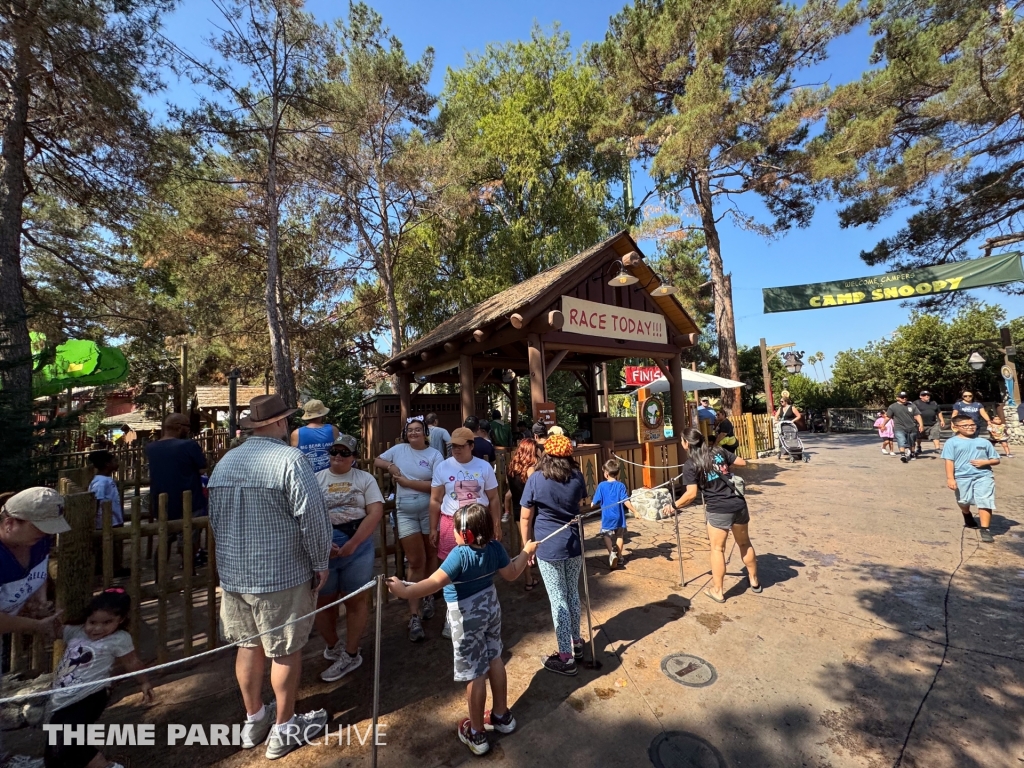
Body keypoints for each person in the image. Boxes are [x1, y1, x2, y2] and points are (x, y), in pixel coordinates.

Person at [207, 394, 332, 760]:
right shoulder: (290, 460)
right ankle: (284, 725)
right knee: (285, 649)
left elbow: (214, 521)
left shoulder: (225, 463)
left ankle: (254, 717)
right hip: (281, 572)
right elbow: (312, 517)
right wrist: (320, 561)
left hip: (235, 573)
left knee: (248, 646)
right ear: (279, 423)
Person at [388, 503, 537, 756]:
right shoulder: (495, 549)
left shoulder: (459, 555)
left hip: (466, 615)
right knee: (494, 657)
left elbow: (431, 584)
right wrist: (526, 551)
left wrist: (405, 591)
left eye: (456, 530)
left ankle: (477, 732)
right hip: (490, 606)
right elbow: (512, 573)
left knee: (475, 671)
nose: (453, 534)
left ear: (466, 534)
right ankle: (501, 715)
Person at [46, 589, 152, 768]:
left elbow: (132, 662)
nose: (97, 628)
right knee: (55, 752)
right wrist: (46, 614)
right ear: (86, 618)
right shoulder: (76, 631)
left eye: (107, 622)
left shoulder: (119, 638)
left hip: (90, 697)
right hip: (61, 700)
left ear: (121, 620)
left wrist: (144, 682)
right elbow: (54, 631)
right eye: (92, 622)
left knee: (65, 743)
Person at [663, 429, 760, 604]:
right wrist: (724, 468)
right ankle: (754, 580)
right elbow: (742, 462)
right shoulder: (718, 451)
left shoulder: (691, 464)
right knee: (745, 543)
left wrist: (673, 506)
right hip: (738, 504)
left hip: (718, 509)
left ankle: (718, 590)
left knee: (717, 549)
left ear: (686, 443)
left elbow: (691, 494)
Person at [519, 434, 588, 676]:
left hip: (547, 545)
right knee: (572, 593)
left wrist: (526, 545)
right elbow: (582, 502)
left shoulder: (536, 478)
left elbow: (526, 516)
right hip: (573, 543)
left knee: (557, 598)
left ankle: (565, 656)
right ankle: (576, 642)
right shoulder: (577, 476)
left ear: (546, 453)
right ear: (569, 455)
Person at [316, 434, 384, 677]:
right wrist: (323, 542)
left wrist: (354, 543)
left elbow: (375, 511)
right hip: (325, 546)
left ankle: (352, 653)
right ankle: (334, 646)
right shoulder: (317, 479)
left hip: (357, 544)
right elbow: (308, 513)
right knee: (324, 600)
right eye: (335, 451)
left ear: (353, 458)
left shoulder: (364, 479)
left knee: (355, 599)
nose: (338, 456)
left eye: (345, 453)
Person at [373, 418, 443, 643]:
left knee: (431, 554)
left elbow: (436, 485)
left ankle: (429, 595)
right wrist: (391, 467)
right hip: (405, 512)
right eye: (410, 430)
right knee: (415, 561)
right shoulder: (399, 450)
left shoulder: (434, 455)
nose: (413, 433)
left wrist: (407, 482)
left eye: (417, 430)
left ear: (425, 433)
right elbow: (377, 460)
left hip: (431, 512)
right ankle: (414, 613)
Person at [430, 427, 501, 639]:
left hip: (479, 524)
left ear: (472, 446)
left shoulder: (484, 467)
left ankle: (482, 612)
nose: (456, 450)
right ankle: (451, 616)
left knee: (480, 567)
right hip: (451, 523)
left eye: (461, 446)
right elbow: (435, 499)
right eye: (453, 446)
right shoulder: (443, 467)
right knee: (451, 571)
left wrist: (496, 524)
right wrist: (433, 527)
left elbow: (494, 498)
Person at [942, 414, 1000, 543]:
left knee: (985, 500)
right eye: (965, 425)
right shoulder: (952, 442)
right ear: (955, 427)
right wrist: (950, 478)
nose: (970, 427)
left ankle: (985, 529)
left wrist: (985, 463)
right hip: (962, 477)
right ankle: (966, 514)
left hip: (983, 476)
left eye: (972, 425)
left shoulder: (984, 442)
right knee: (963, 501)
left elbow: (996, 459)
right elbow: (949, 461)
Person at [146, 413, 207, 521]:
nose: (189, 430)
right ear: (179, 427)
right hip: (189, 503)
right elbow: (203, 467)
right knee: (187, 536)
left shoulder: (151, 448)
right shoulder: (189, 445)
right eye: (188, 426)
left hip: (162, 505)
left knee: (165, 536)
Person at [504, 438, 539, 590]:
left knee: (524, 543)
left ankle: (528, 578)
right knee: (537, 541)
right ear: (532, 451)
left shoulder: (511, 468)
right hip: (534, 509)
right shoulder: (532, 470)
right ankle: (534, 574)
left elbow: (510, 490)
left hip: (518, 509)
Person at [591, 459, 635, 570]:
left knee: (607, 535)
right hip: (619, 516)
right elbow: (626, 501)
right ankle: (620, 557)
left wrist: (592, 503)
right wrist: (635, 511)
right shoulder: (621, 486)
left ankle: (612, 553)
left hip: (607, 516)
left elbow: (595, 501)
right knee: (619, 536)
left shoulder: (601, 485)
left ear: (606, 474)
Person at [289, 399, 340, 473]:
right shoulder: (332, 430)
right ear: (322, 414)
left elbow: (293, 457)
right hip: (330, 476)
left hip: (307, 477)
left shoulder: (296, 433)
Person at [884, 391, 925, 463]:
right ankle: (903, 455)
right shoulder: (893, 406)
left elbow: (917, 415)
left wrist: (921, 425)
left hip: (912, 426)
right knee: (901, 440)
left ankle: (912, 453)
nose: (904, 398)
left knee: (912, 441)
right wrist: (882, 424)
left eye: (905, 397)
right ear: (897, 398)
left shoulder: (912, 405)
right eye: (902, 397)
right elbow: (888, 417)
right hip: (899, 427)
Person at [88, 451, 123, 528]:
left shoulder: (106, 479)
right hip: (106, 523)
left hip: (114, 520)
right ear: (107, 464)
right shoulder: (101, 482)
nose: (117, 463)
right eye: (115, 461)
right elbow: (96, 502)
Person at [913, 390, 945, 455]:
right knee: (919, 437)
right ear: (920, 396)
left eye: (928, 395)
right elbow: (912, 412)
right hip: (920, 424)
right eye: (924, 395)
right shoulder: (916, 403)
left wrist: (942, 420)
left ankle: (937, 449)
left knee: (935, 435)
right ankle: (918, 447)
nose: (926, 396)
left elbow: (939, 412)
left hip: (933, 423)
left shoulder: (933, 403)